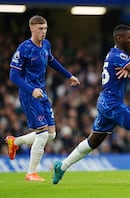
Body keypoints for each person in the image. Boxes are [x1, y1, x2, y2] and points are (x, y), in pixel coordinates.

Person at [52, 24, 130, 185]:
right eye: (129, 37)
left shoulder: (116, 55)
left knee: (93, 141)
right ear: (118, 38)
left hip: (105, 102)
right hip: (112, 103)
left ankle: (62, 166)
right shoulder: (118, 56)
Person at [5, 15, 80, 181]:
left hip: (42, 93)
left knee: (51, 134)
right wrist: (31, 90)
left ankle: (14, 142)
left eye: (45, 28)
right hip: (29, 94)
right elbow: (14, 76)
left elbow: (51, 61)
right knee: (42, 134)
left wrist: (69, 75)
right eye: (40, 29)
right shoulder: (24, 48)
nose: (43, 32)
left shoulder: (46, 45)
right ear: (31, 28)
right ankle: (31, 173)